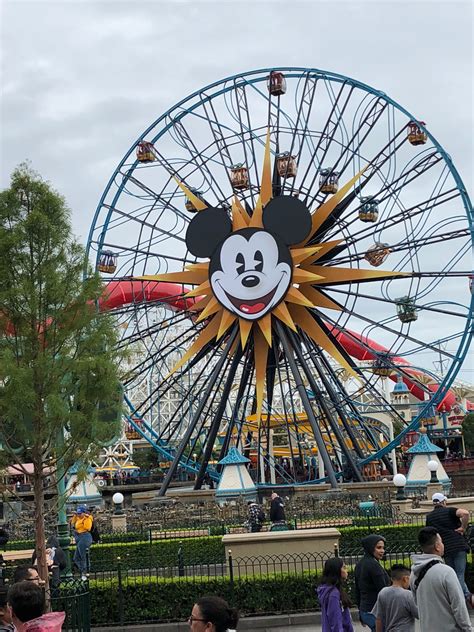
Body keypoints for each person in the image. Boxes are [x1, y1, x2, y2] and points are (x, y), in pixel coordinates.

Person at [410, 526, 471, 631]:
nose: (443, 545)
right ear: (437, 546)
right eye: (441, 542)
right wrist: (468, 628)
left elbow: (417, 604)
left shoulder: (414, 574)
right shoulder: (446, 572)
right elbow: (458, 606)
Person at [425, 492, 472, 605]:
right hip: (458, 546)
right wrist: (463, 527)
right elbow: (465, 513)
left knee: (452, 574)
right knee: (459, 574)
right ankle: (461, 599)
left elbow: (430, 533)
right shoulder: (450, 511)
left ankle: (466, 596)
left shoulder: (429, 517)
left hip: (444, 548)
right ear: (443, 502)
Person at [354, 534, 391, 631]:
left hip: (365, 611)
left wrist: (360, 613)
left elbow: (357, 590)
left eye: (383, 548)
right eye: (379, 547)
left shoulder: (360, 564)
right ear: (370, 548)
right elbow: (384, 591)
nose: (382, 551)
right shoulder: (374, 565)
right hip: (375, 612)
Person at [372, 564, 418, 632]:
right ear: (405, 579)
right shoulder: (408, 595)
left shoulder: (383, 592)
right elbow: (419, 614)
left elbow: (378, 619)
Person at [317, 557, 354, 632]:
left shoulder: (333, 590)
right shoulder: (333, 594)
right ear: (336, 571)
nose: (347, 570)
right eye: (344, 567)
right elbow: (335, 622)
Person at [70, 504, 92, 580]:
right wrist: (75, 516)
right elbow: (72, 524)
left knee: (83, 556)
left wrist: (86, 518)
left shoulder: (88, 518)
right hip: (79, 537)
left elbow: (87, 528)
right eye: (78, 513)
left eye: (80, 513)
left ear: (84, 512)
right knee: (76, 558)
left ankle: (85, 573)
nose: (79, 515)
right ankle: (85, 570)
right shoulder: (78, 518)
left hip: (85, 537)